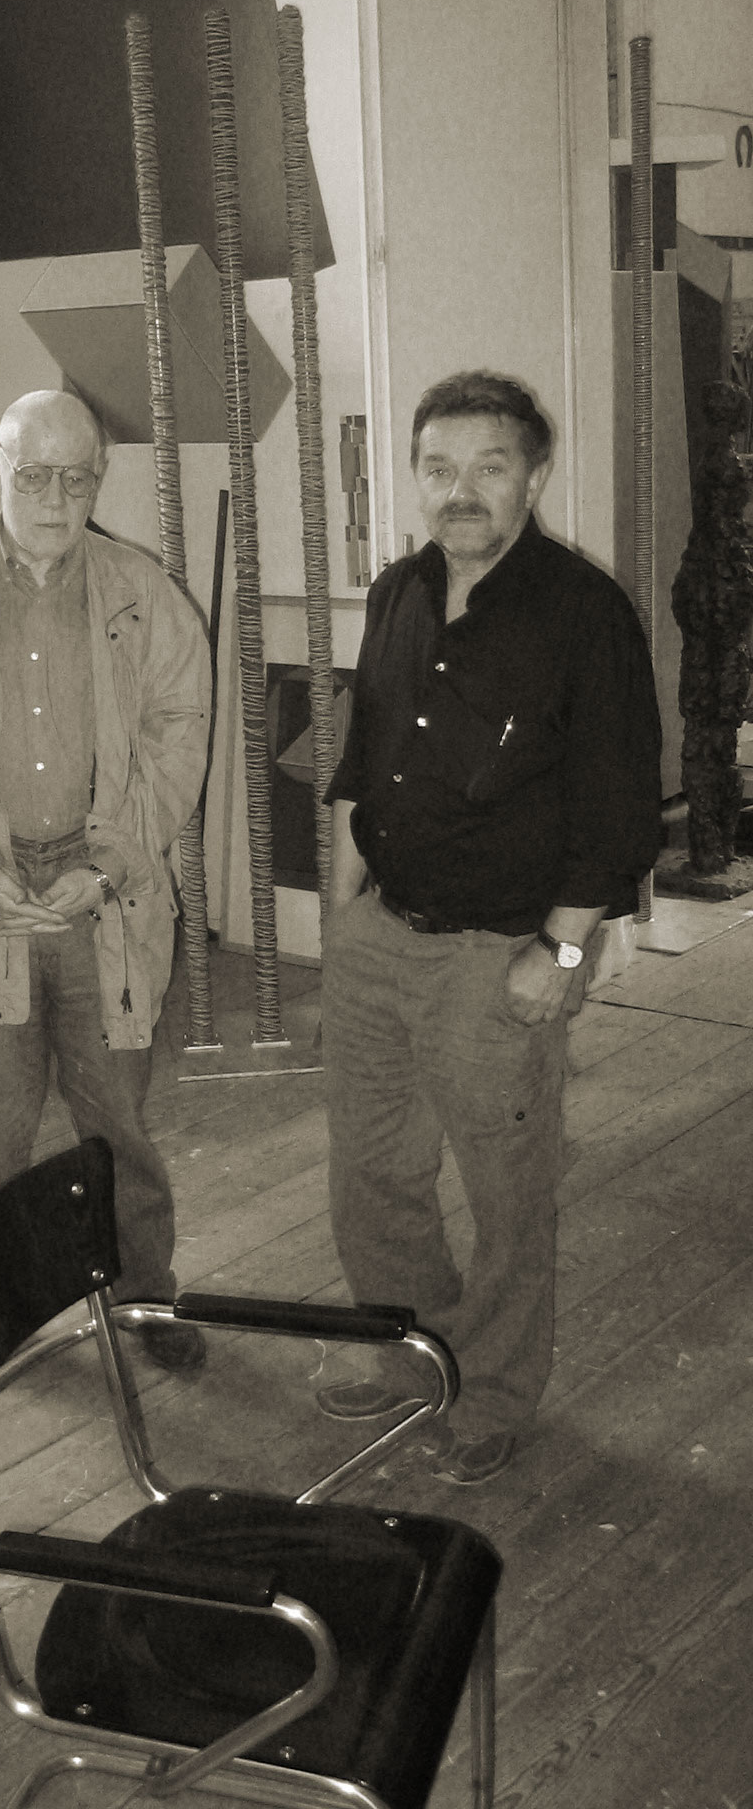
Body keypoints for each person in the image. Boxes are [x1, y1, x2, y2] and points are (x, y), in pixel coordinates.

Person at [318, 370, 661, 1483]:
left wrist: (561, 952)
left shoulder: (584, 614)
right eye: (439, 467)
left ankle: (497, 1388)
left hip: (499, 956)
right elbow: (362, 769)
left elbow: (617, 812)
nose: (460, 489)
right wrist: (342, 919)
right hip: (379, 936)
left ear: (534, 474)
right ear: (416, 477)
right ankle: (407, 1351)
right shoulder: (399, 593)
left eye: (489, 465)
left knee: (507, 1190)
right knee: (373, 1172)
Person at [0, 388, 211, 1370]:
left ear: (99, 479)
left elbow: (179, 740)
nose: (56, 499)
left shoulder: (145, 593)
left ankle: (145, 1298)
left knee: (118, 1126)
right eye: (34, 475)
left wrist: (111, 863)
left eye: (77, 478)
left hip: (106, 899)